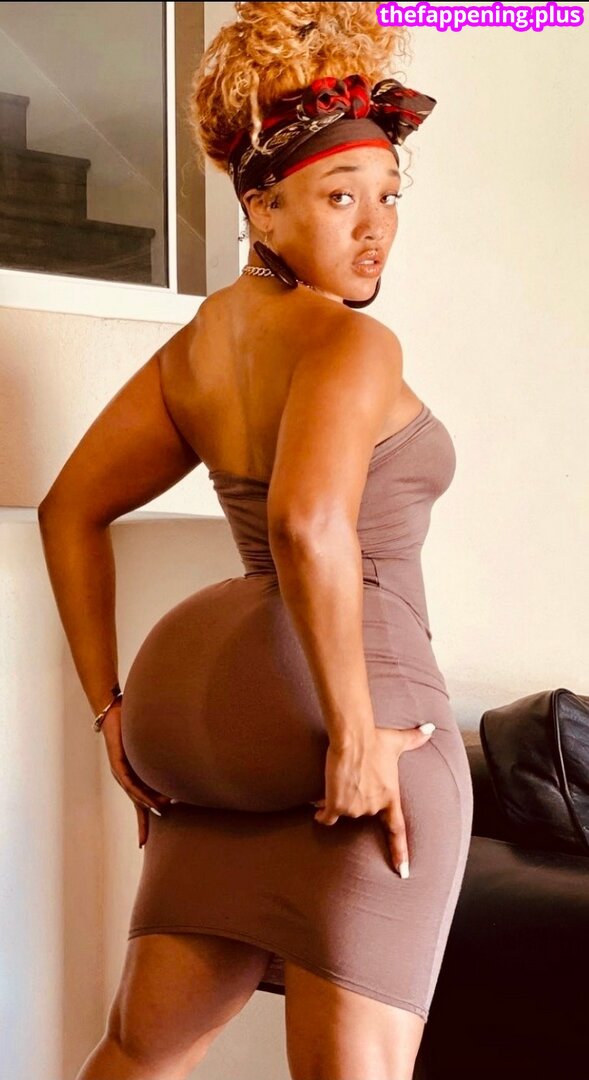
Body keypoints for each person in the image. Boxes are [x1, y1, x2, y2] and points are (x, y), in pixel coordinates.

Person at [38, 4, 473, 1078]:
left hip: (205, 750)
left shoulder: (194, 351)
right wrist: (356, 735)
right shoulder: (351, 343)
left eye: (388, 196)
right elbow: (305, 521)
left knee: (136, 1051)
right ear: (262, 209)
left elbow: (68, 508)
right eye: (339, 197)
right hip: (353, 724)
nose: (374, 229)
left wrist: (111, 712)